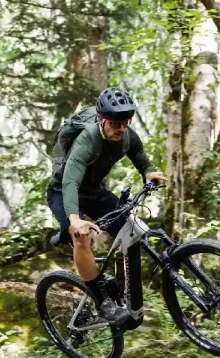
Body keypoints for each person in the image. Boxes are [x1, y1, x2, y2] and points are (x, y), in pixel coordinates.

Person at [47, 87, 166, 324]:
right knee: (80, 237)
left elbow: (140, 155)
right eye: (114, 123)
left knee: (135, 229)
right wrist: (74, 219)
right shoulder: (87, 140)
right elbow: (70, 181)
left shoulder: (126, 136)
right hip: (63, 193)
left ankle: (121, 285)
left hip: (94, 192)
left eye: (125, 122)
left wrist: (149, 171)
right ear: (102, 120)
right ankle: (101, 302)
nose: (120, 129)